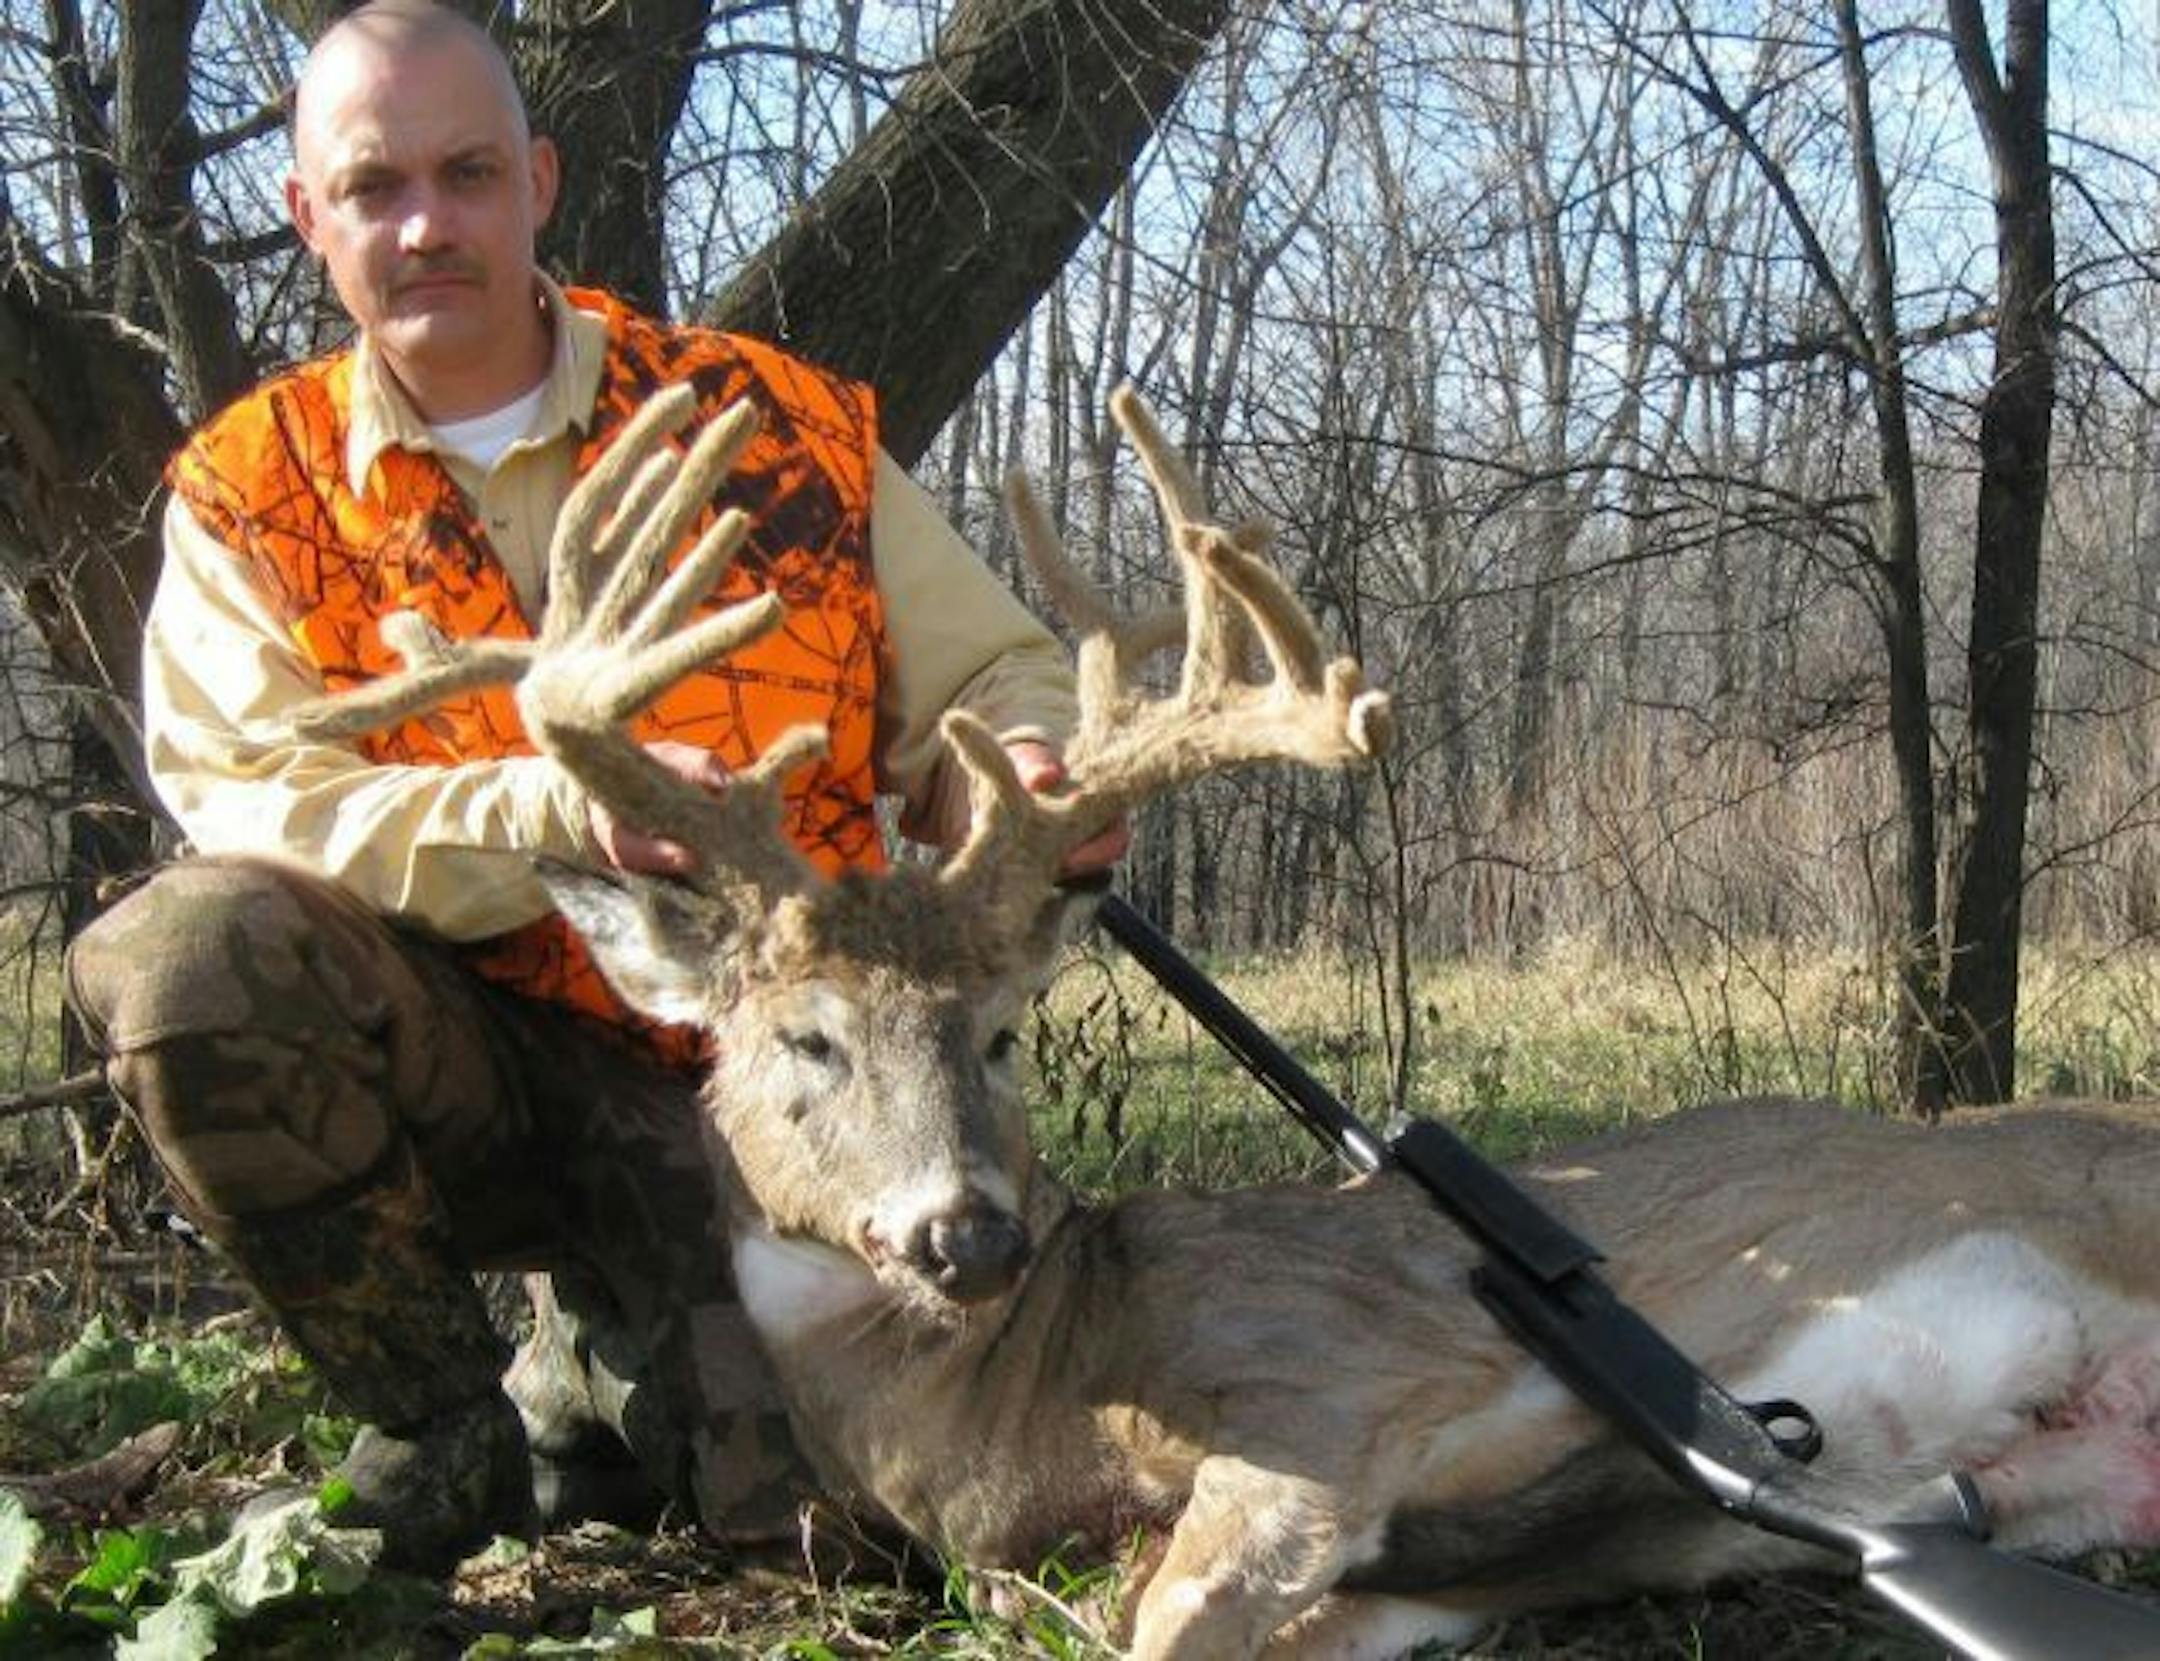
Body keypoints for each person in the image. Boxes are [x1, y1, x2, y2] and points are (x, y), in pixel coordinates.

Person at [65, 0, 1116, 1573]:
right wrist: (545, 816)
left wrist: (1026, 767)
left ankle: (601, 1371)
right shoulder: (250, 493)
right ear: (308, 216)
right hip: (453, 1068)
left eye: (468, 173)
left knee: (831, 1530)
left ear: (540, 181)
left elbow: (996, 671)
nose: (426, 224)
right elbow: (251, 802)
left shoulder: (775, 432)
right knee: (187, 952)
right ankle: (438, 1419)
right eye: (374, 187)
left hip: (781, 1086)